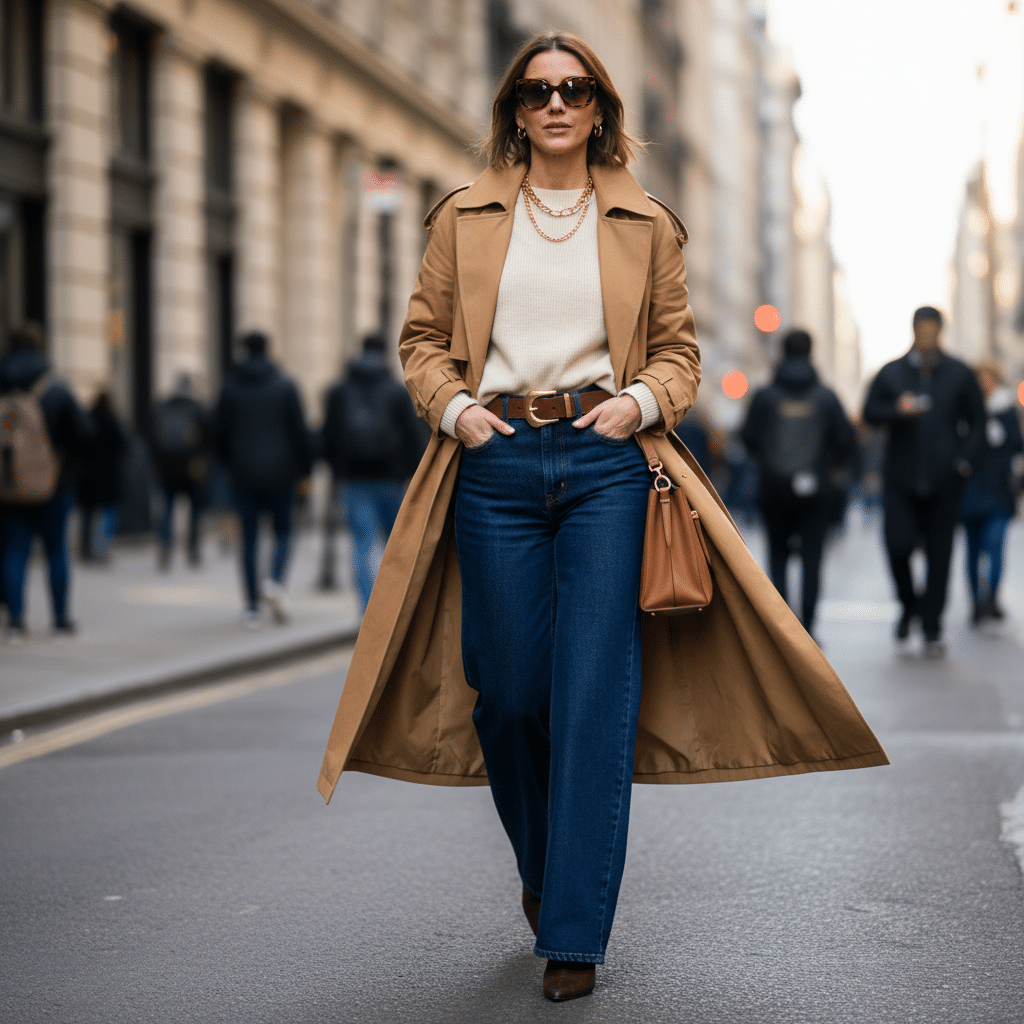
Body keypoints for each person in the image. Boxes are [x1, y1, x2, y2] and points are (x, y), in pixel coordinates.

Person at [317, 31, 888, 1005]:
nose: (554, 103)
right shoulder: (463, 215)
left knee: (590, 698)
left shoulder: (643, 221)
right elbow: (422, 339)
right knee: (505, 693)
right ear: (514, 106)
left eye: (573, 88)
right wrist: (457, 410)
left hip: (606, 464)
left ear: (598, 107)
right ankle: (546, 867)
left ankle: (572, 927)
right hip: (493, 463)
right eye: (537, 89)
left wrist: (643, 405)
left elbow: (677, 353)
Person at [862, 306, 985, 656]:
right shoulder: (891, 373)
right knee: (897, 547)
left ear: (940, 331)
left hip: (945, 481)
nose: (927, 336)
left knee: (939, 555)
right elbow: (869, 413)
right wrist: (895, 410)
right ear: (914, 330)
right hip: (900, 480)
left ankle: (931, 625)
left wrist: (962, 462)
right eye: (922, 330)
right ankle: (909, 604)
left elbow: (978, 422)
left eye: (933, 330)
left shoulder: (959, 373)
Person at [741, 329, 858, 639]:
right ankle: (808, 627)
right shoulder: (826, 396)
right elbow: (846, 440)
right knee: (812, 558)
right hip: (816, 490)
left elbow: (748, 438)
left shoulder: (765, 396)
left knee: (777, 555)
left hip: (774, 488)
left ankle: (783, 631)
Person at [321, 332, 429, 607]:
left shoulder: (340, 390)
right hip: (392, 479)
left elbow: (328, 437)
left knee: (362, 545)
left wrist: (339, 472)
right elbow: (413, 436)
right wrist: (412, 475)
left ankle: (368, 609)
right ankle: (392, 608)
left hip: (355, 480)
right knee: (395, 547)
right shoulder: (396, 389)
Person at [0, 323, 93, 638]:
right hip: (54, 483)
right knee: (56, 550)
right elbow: (83, 436)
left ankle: (15, 620)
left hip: (8, 485)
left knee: (14, 551)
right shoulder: (55, 388)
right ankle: (60, 618)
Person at [213, 331, 312, 627]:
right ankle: (275, 582)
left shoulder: (230, 387)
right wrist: (305, 472)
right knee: (283, 532)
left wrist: (230, 464)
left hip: (243, 474)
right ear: (268, 350)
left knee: (249, 540)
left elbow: (218, 435)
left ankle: (251, 607)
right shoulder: (285, 385)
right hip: (281, 473)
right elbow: (300, 433)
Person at [960, 359, 1023, 624]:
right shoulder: (965, 411)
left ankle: (992, 599)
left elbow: (1018, 445)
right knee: (973, 550)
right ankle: (976, 603)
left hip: (998, 489)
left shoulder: (1006, 409)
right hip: (970, 490)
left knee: (995, 546)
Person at [151, 373, 210, 569]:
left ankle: (165, 548)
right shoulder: (196, 408)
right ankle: (192, 550)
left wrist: (158, 465)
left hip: (167, 469)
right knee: (194, 511)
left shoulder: (164, 407)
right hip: (191, 468)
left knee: (167, 509)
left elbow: (153, 438)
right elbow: (206, 439)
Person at [77, 390, 128, 562]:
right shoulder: (112, 420)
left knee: (87, 512)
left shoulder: (86, 418)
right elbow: (123, 445)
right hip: (108, 474)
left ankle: (84, 546)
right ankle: (100, 547)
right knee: (109, 511)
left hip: (88, 474)